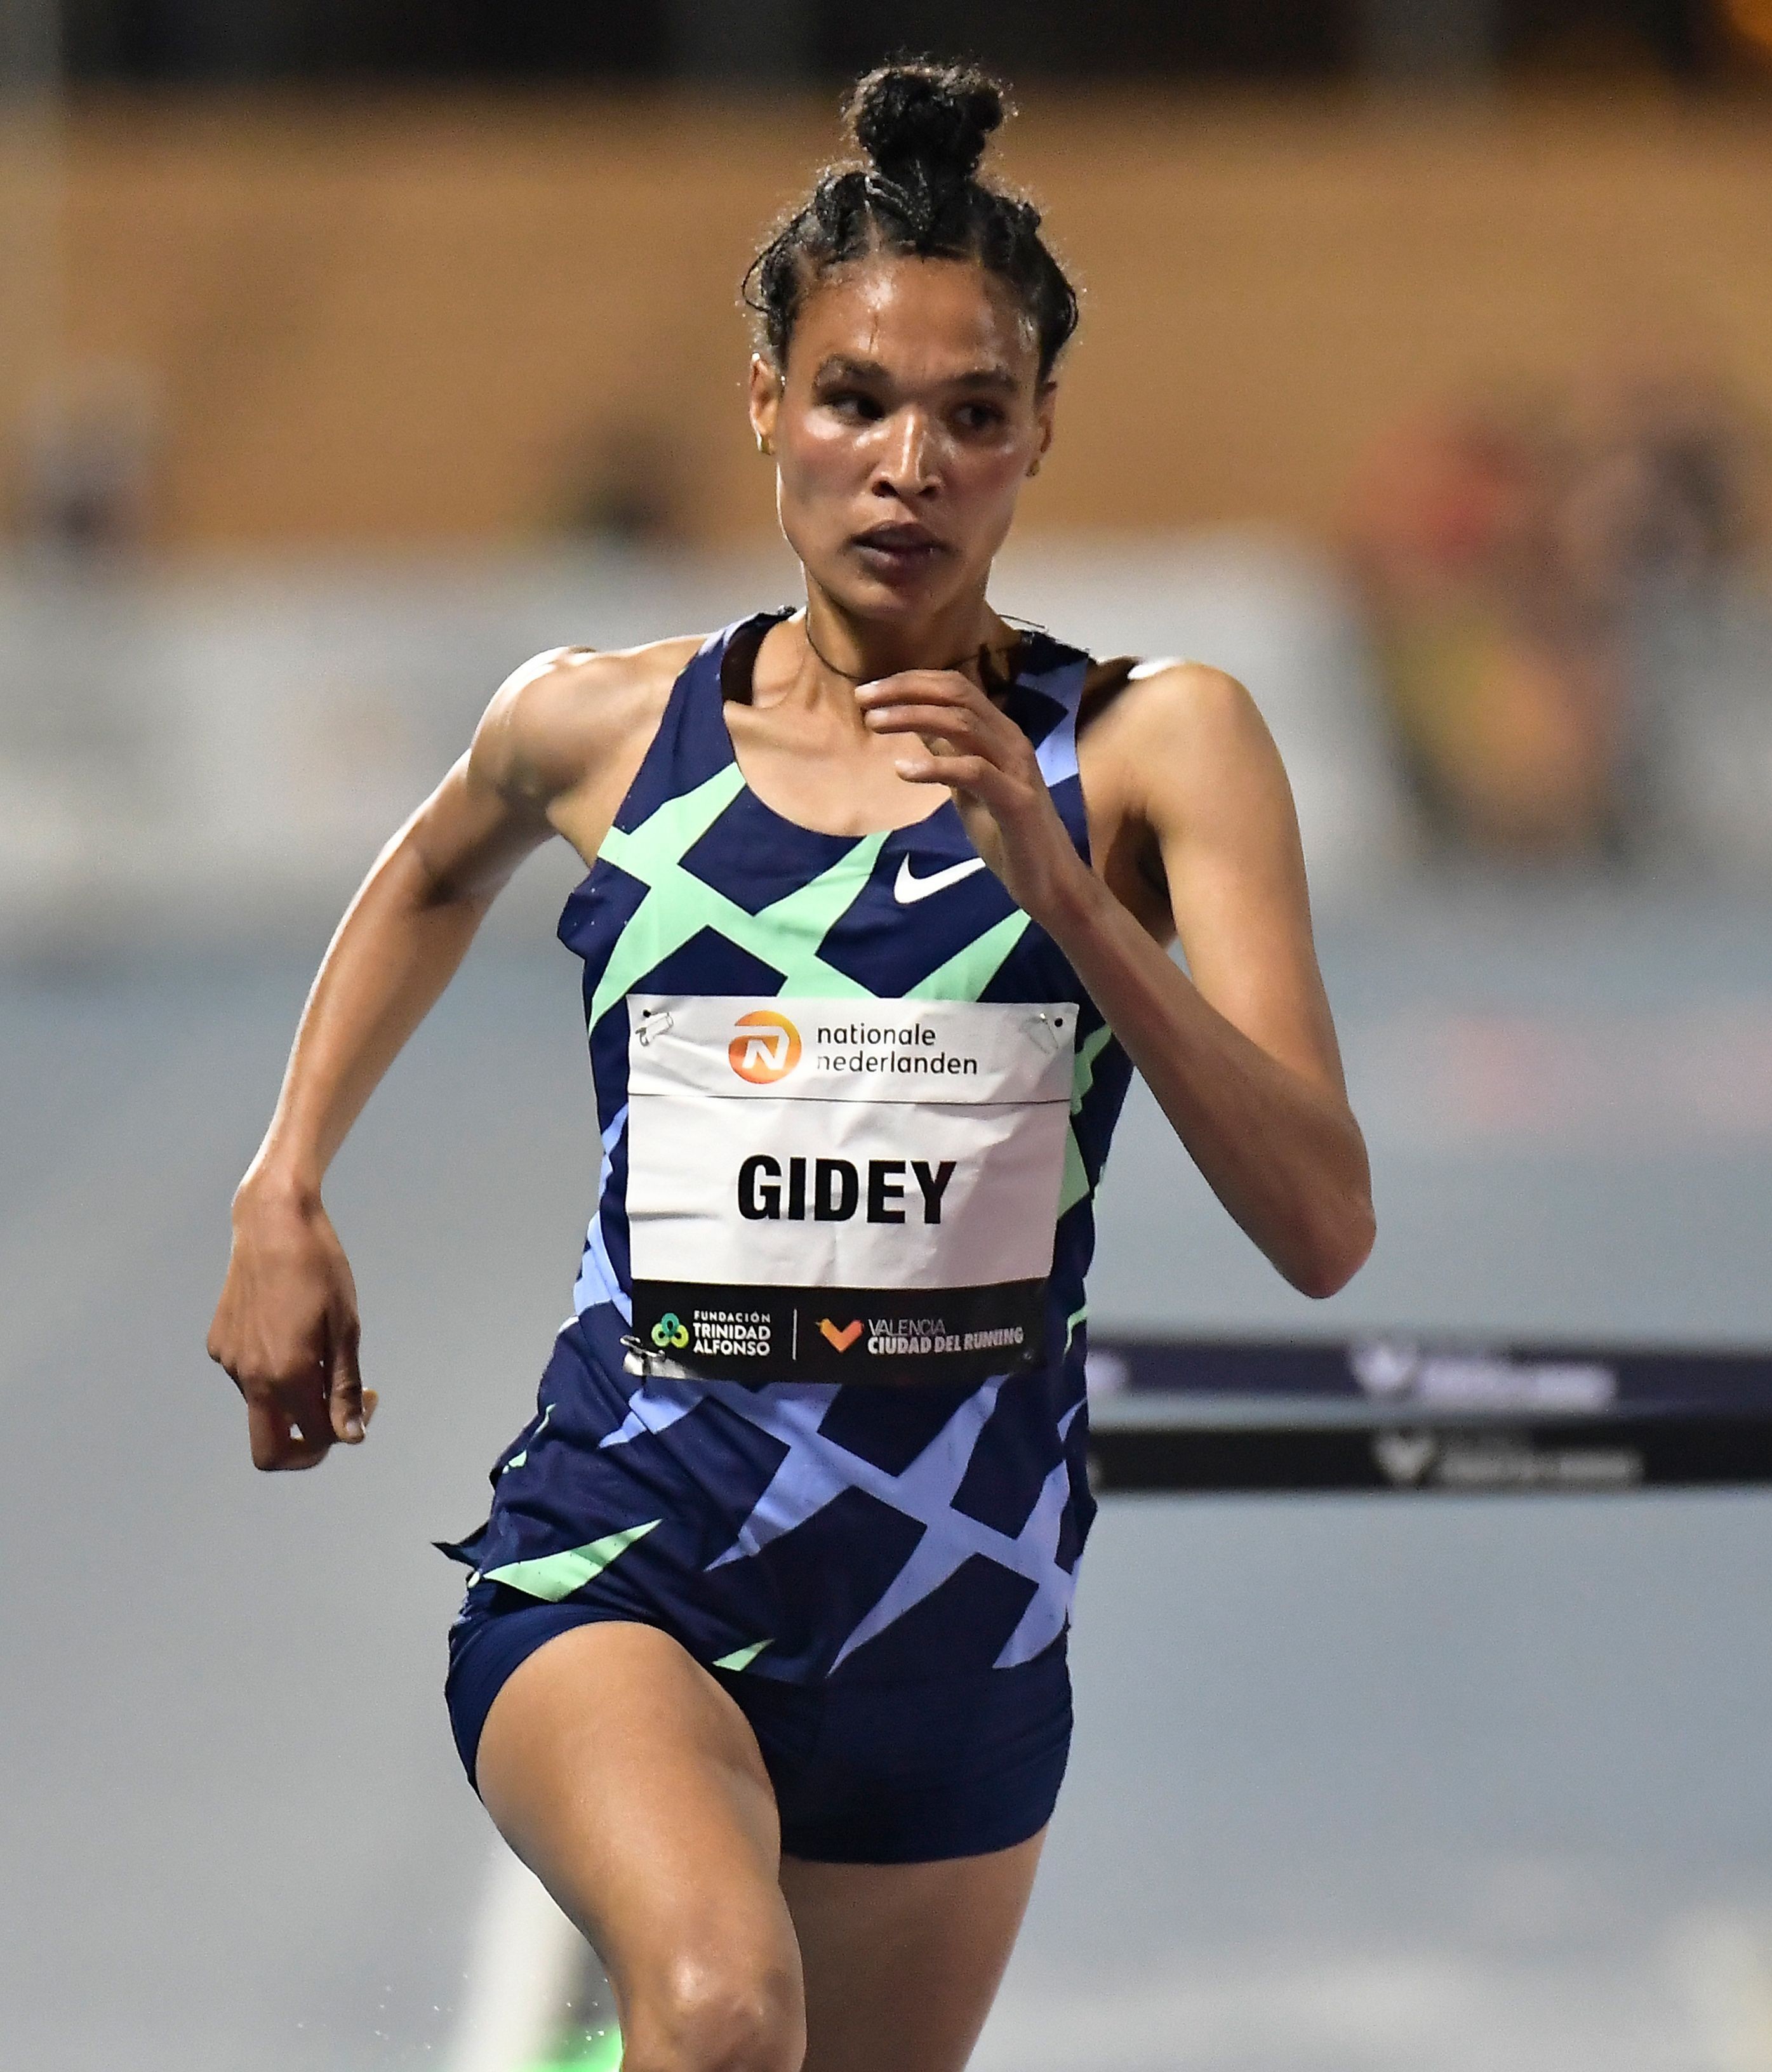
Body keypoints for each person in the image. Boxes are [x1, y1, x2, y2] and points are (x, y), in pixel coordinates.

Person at [204, 60, 1373, 2072]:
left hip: (956, 1613)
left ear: (1037, 435)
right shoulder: (598, 728)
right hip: (628, 1547)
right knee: (719, 2009)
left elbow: (1322, 1223)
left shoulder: (1154, 747)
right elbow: (429, 874)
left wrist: (1073, 900)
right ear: (764, 402)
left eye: (972, 416)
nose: (908, 466)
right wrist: (285, 1180)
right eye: (853, 401)